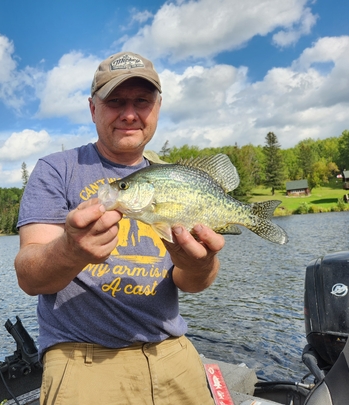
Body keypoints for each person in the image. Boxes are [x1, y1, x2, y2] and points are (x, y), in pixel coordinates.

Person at [14, 51, 225, 405]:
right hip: (83, 362)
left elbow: (193, 283)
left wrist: (201, 265)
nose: (130, 114)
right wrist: (70, 250)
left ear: (157, 107)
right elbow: (30, 278)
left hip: (174, 355)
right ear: (93, 108)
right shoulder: (56, 170)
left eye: (142, 101)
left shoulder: (176, 180)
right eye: (115, 102)